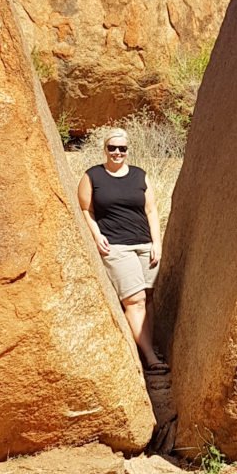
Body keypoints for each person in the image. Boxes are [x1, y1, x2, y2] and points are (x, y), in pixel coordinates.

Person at [77, 127, 169, 374]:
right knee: (134, 299)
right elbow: (86, 209)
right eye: (112, 148)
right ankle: (150, 357)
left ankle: (145, 346)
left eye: (122, 149)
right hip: (116, 247)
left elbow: (151, 211)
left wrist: (157, 243)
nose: (117, 153)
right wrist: (96, 236)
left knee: (148, 298)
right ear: (105, 149)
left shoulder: (140, 176)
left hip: (144, 244)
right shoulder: (93, 176)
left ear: (128, 150)